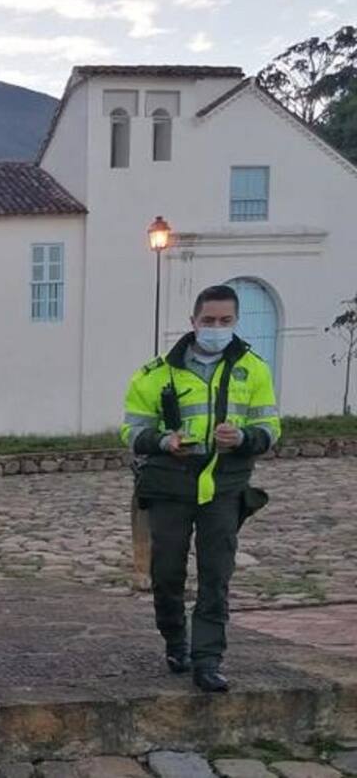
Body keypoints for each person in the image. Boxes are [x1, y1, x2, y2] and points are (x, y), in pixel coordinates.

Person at [120, 284, 280, 693]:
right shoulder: (156, 373)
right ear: (193, 322)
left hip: (224, 486)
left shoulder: (254, 369)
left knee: (216, 575)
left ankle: (208, 659)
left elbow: (270, 427)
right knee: (167, 571)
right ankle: (176, 640)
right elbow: (131, 430)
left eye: (225, 321)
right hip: (171, 484)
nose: (216, 328)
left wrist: (244, 438)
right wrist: (163, 441)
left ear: (235, 322)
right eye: (209, 321)